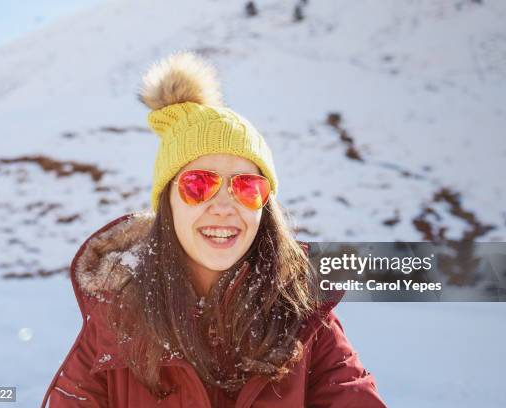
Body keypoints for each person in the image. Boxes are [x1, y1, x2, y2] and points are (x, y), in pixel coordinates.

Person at [41, 51, 386, 407]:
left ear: (264, 207)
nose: (223, 207)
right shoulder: (114, 320)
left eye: (247, 187)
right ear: (167, 202)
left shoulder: (307, 316)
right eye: (198, 184)